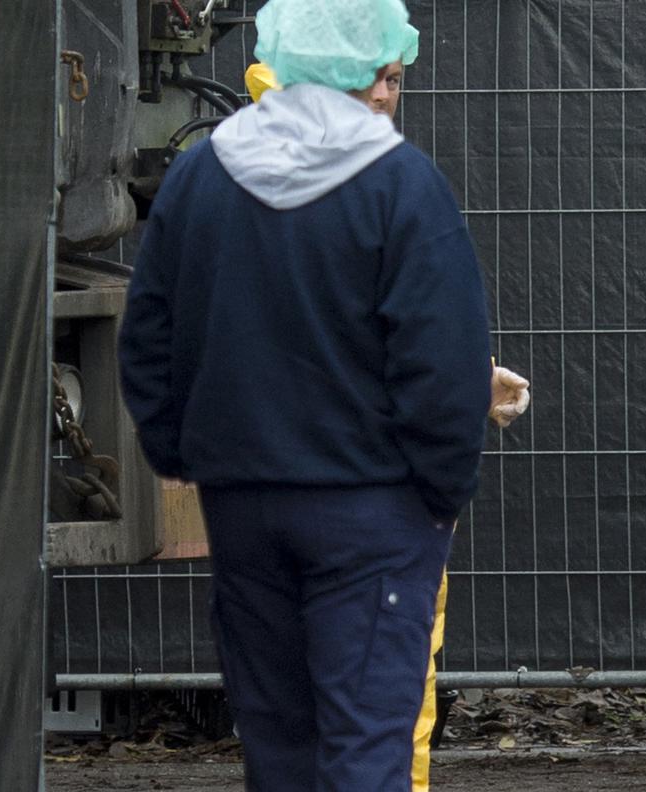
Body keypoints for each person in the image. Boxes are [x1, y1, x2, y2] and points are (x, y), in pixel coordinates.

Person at [118, 1, 492, 790]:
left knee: (278, 742)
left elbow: (147, 330)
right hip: (374, 506)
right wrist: (439, 491)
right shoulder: (402, 184)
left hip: (243, 502)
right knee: (364, 745)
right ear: (376, 66)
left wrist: (186, 455)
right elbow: (443, 361)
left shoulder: (201, 173)